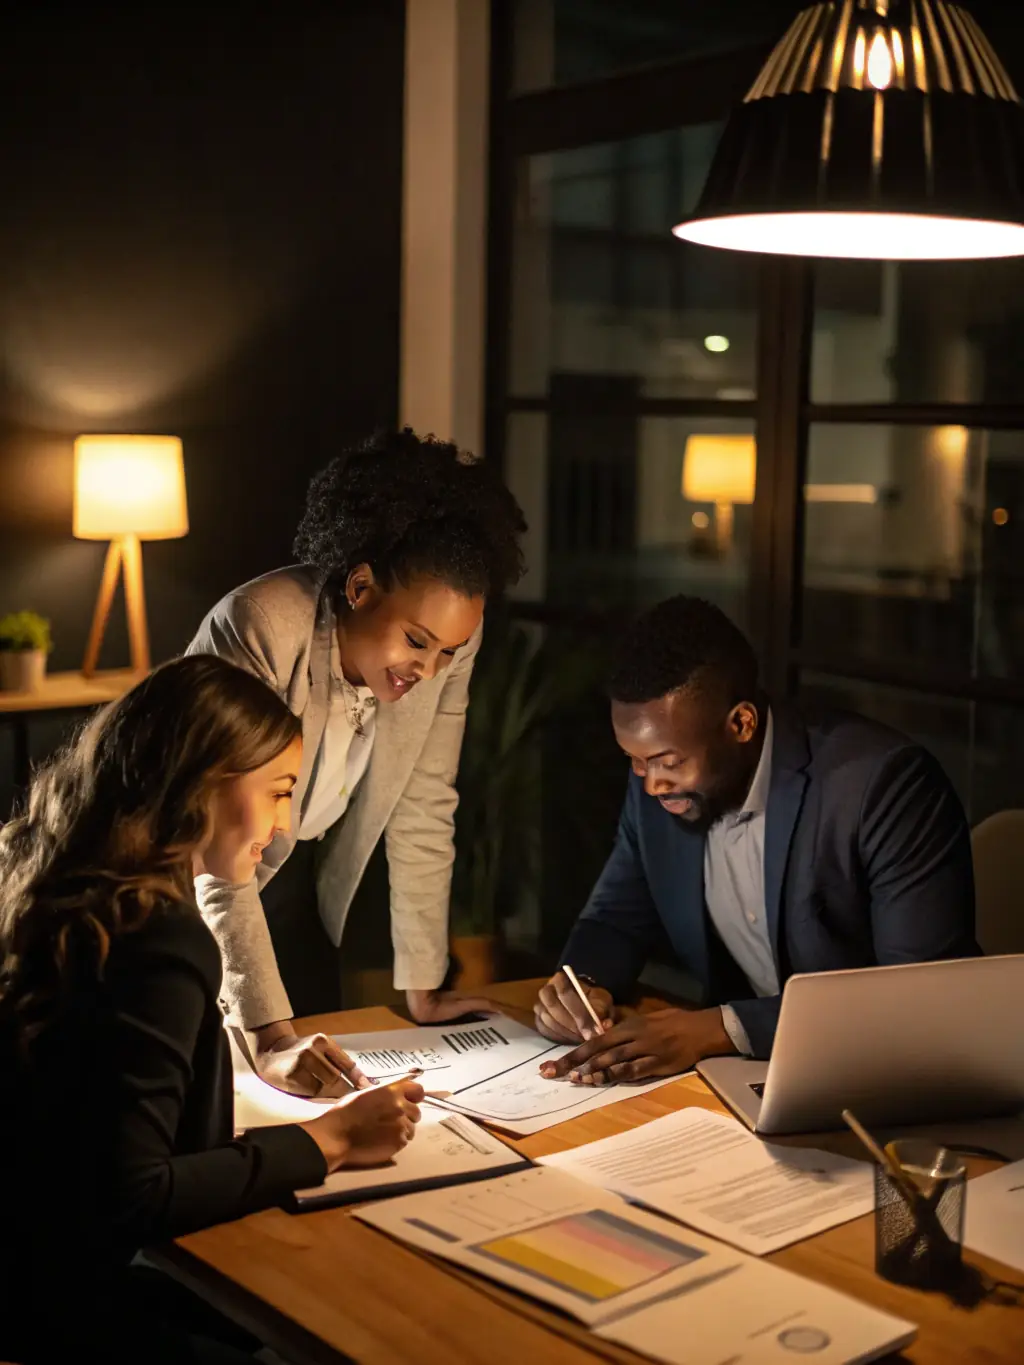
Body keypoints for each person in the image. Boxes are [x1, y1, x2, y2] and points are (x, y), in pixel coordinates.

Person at [0, 657, 424, 1365]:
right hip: (61, 1302)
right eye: (279, 792)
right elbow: (131, 1194)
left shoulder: (44, 873)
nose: (283, 825)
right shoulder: (158, 936)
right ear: (203, 783)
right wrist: (331, 1139)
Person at [187, 428, 526, 1098]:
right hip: (195, 886)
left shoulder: (450, 638)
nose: (430, 670)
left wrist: (424, 982)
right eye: (417, 642)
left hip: (300, 879)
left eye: (449, 653)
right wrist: (271, 1039)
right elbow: (218, 838)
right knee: (230, 1088)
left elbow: (426, 798)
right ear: (361, 585)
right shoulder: (260, 625)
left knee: (324, 1086)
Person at [533, 595, 978, 1084]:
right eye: (634, 760)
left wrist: (722, 1028)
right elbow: (616, 917)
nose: (651, 783)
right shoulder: (659, 788)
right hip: (742, 1079)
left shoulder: (882, 786)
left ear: (741, 724)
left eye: (668, 761)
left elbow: (917, 997)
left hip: (885, 1078)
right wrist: (583, 985)